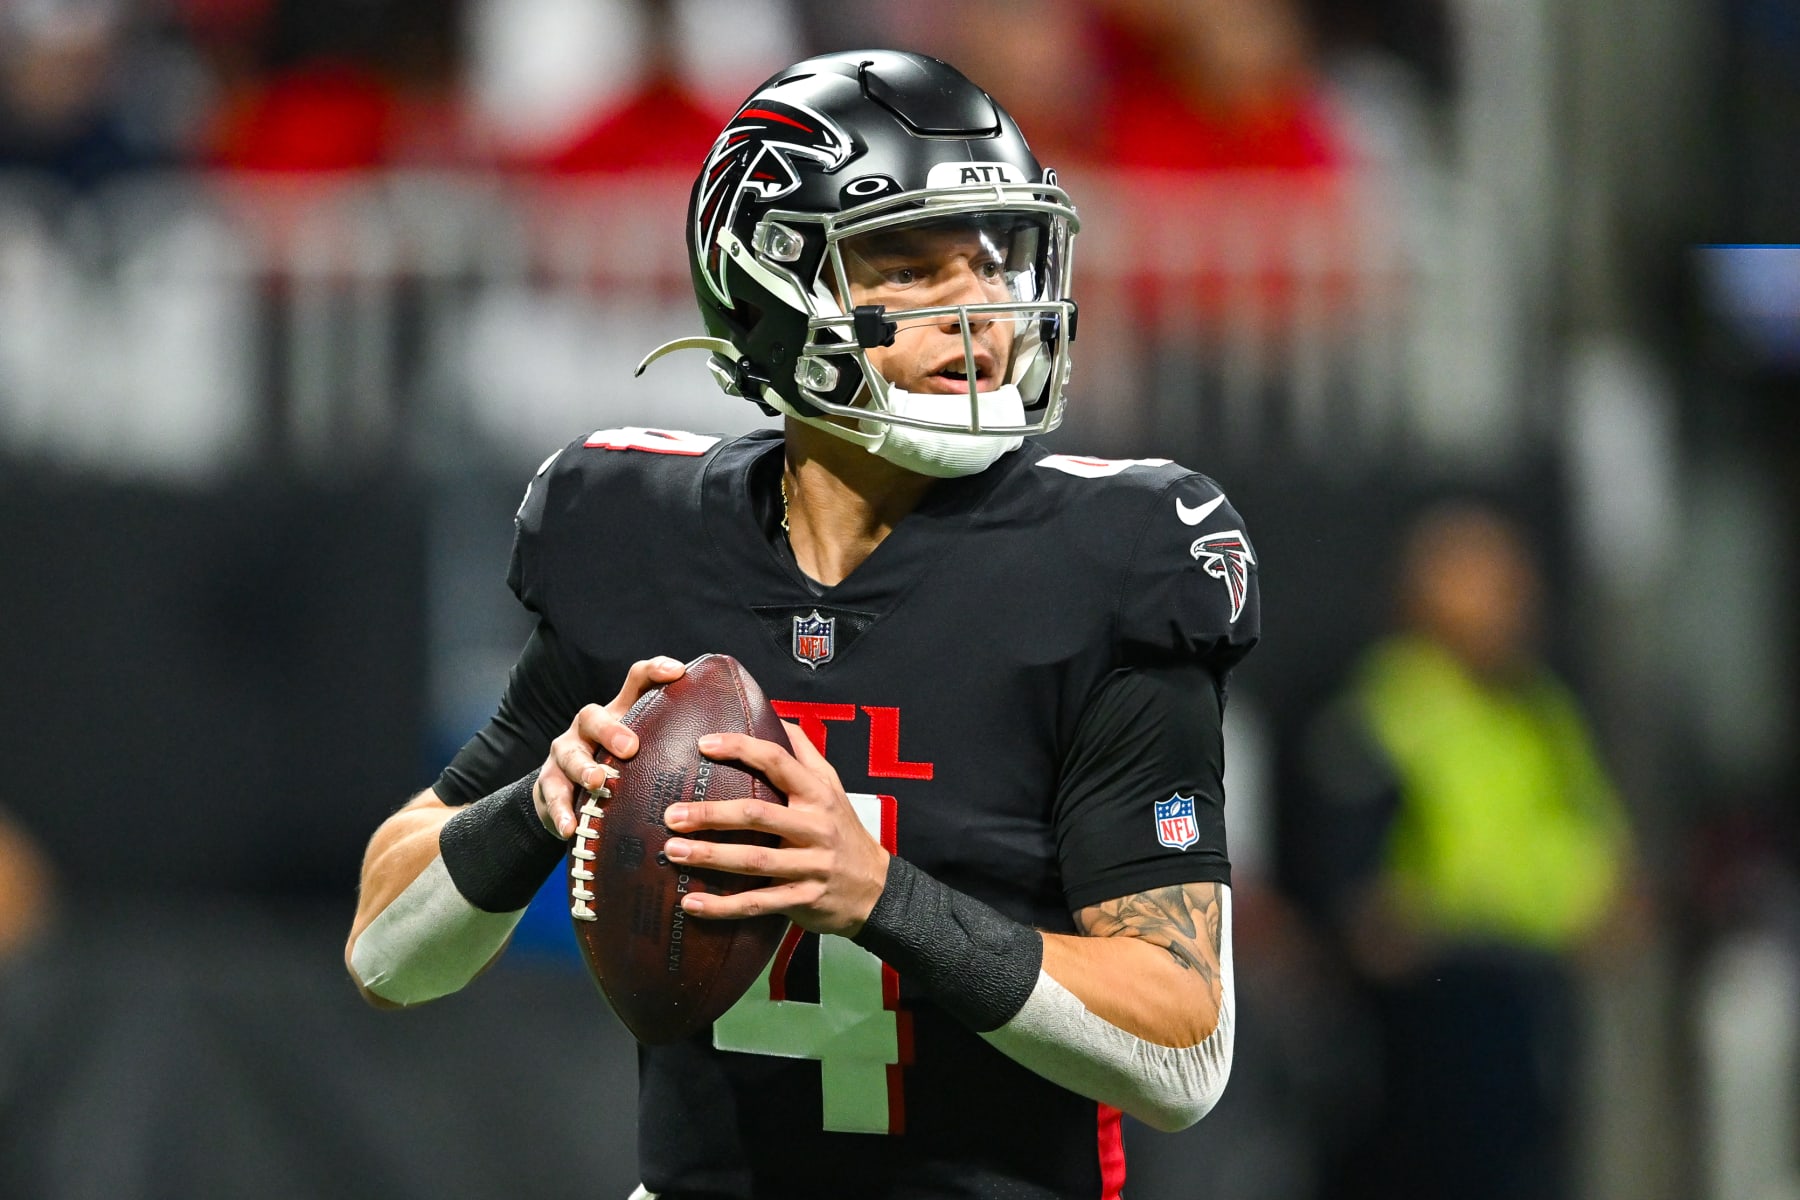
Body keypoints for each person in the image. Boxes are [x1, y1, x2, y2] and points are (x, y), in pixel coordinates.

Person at [344, 49, 1260, 1199]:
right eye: (912, 265)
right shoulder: (642, 538)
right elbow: (385, 952)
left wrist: (880, 897)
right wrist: (534, 810)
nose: (977, 305)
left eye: (991, 256)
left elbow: (1184, 1046)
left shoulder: (1106, 561)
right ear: (774, 288)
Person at [1295, 502, 1640, 1200]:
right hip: (1431, 1025)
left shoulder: (1542, 711)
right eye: (1483, 582)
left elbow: (1601, 852)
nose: (1510, 604)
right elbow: (1361, 906)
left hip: (1531, 1003)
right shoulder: (1385, 707)